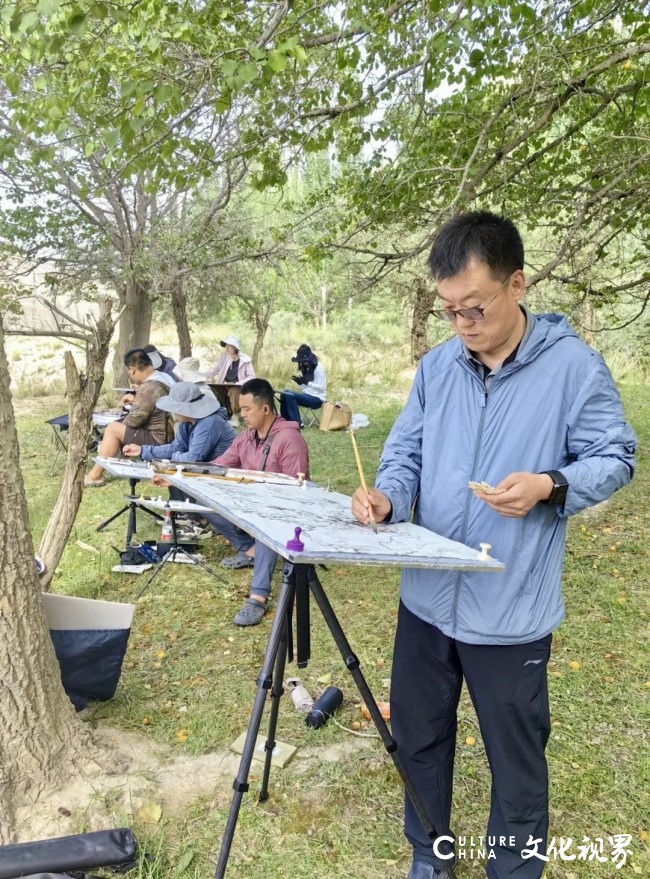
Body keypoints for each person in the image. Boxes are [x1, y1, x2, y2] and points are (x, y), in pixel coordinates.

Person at [351, 211, 636, 879]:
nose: (462, 324)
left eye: (474, 307)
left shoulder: (572, 367)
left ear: (516, 282)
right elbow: (406, 451)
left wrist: (551, 483)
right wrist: (388, 495)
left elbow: (616, 455)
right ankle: (431, 853)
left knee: (515, 758)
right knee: (419, 738)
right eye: (449, 310)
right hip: (426, 595)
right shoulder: (438, 367)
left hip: (509, 608)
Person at [206, 377, 308, 626]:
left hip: (282, 513)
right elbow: (220, 465)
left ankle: (258, 596)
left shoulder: (289, 440)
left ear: (265, 409)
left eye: (246, 409)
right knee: (206, 501)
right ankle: (249, 549)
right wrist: (180, 474)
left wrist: (262, 503)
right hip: (251, 505)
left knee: (266, 526)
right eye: (241, 409)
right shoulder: (246, 437)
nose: (242, 415)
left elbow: (296, 492)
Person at [85, 349, 176, 487]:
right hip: (169, 433)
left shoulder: (149, 388)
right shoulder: (164, 377)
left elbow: (133, 421)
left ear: (132, 369)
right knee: (116, 426)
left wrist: (119, 421)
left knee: (113, 428)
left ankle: (95, 475)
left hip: (159, 439)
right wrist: (135, 401)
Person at [122, 381, 235, 464]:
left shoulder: (209, 422)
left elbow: (193, 459)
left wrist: (174, 456)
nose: (173, 411)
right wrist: (142, 450)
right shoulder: (187, 422)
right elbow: (175, 448)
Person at [205, 334, 256, 426]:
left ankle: (235, 415)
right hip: (224, 385)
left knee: (234, 390)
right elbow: (214, 370)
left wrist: (238, 383)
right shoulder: (224, 357)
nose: (226, 348)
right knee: (211, 388)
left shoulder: (245, 360)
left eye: (229, 346)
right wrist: (200, 376)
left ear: (235, 348)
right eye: (226, 346)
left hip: (239, 387)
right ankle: (218, 413)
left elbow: (252, 376)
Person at [279, 344, 327, 426]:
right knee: (284, 393)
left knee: (290, 394)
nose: (302, 363)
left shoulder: (319, 368)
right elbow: (306, 388)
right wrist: (300, 383)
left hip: (317, 399)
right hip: (307, 395)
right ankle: (285, 420)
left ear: (309, 359)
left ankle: (297, 423)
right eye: (301, 361)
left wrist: (308, 382)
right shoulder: (305, 368)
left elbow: (323, 388)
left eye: (304, 361)